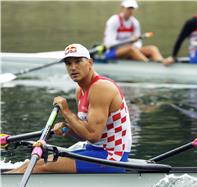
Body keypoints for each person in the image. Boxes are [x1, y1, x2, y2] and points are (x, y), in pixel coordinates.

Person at [8, 43, 132, 173]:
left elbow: (93, 135)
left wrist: (66, 111)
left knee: (37, 166)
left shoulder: (101, 88)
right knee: (30, 163)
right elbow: (85, 135)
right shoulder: (80, 89)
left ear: (90, 63)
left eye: (78, 61)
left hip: (111, 157)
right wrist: (69, 129)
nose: (73, 67)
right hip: (94, 150)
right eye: (68, 63)